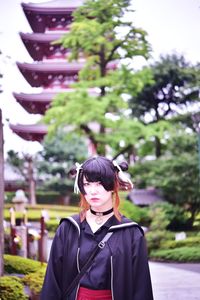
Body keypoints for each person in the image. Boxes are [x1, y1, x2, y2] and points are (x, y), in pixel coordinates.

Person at [41, 156, 154, 300]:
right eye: (87, 184)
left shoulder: (131, 233)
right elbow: (52, 281)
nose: (93, 191)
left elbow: (141, 287)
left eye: (100, 184)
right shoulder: (68, 228)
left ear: (113, 185)